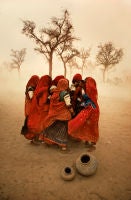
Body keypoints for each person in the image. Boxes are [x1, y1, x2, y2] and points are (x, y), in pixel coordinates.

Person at [42, 78, 74, 151]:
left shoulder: (54, 93)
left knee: (53, 128)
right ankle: (63, 146)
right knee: (63, 130)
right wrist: (72, 112)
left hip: (54, 114)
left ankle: (49, 142)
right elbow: (68, 105)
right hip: (63, 115)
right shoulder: (65, 93)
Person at [68, 77, 100, 147]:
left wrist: (80, 104)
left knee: (84, 124)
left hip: (90, 109)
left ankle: (88, 140)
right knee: (92, 126)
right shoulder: (93, 90)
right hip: (96, 109)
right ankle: (91, 140)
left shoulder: (87, 90)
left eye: (86, 82)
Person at [23, 75, 52, 143]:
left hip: (32, 106)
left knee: (34, 121)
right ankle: (34, 137)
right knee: (35, 122)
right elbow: (32, 98)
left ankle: (34, 138)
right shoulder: (31, 88)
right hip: (33, 107)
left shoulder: (35, 88)